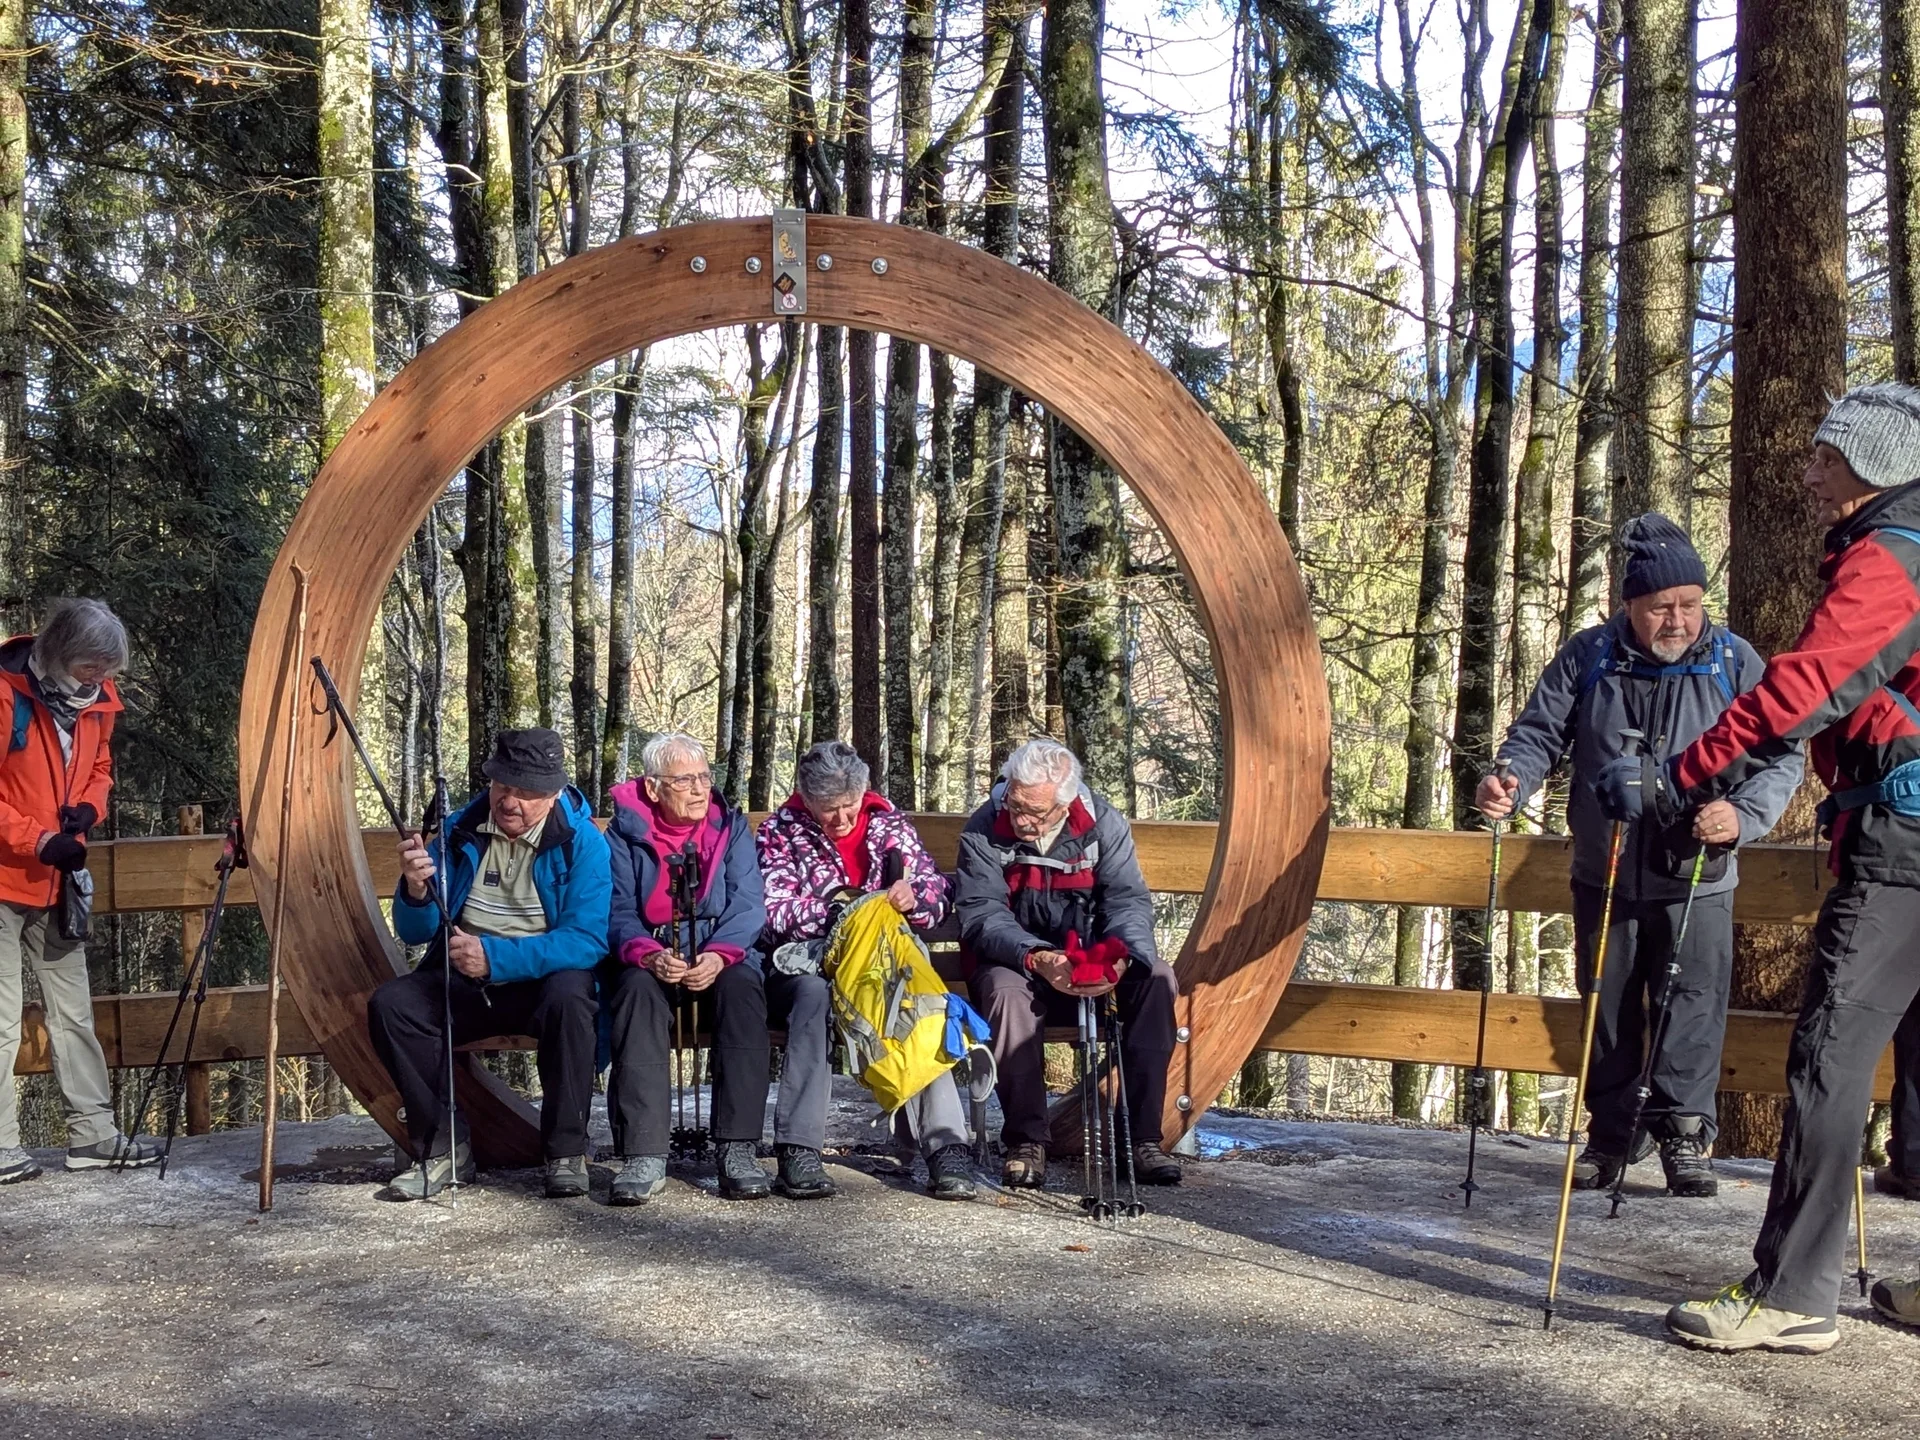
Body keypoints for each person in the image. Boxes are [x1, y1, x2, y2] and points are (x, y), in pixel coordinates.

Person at [1592, 384, 1920, 1353]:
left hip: (1903, 844)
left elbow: (1806, 687)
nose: (1809, 472)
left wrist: (1689, 771)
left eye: (1825, 455)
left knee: (1830, 1057)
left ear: (1870, 466)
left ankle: (1793, 1294)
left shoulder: (1891, 562)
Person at [1477, 514, 1802, 1198]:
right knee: (1610, 1005)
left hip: (1699, 874)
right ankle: (1611, 1137)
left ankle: (1685, 1137)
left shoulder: (1734, 660)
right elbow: (1539, 733)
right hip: (1607, 870)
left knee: (1694, 1004)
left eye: (1689, 604)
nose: (1678, 620)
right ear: (1629, 606)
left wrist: (1741, 815)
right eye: (1661, 608)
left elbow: (1781, 754)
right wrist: (1510, 775)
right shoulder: (1590, 655)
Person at [367, 728, 610, 1201]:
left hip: (542, 979)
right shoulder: (461, 829)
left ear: (555, 792)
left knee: (573, 1000)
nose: (510, 801)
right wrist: (415, 891)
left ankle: (566, 1151)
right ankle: (441, 1148)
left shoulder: (583, 843)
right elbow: (415, 931)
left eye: (527, 792)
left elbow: (586, 942)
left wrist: (494, 959)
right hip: (463, 975)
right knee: (394, 1005)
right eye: (504, 786)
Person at [954, 736, 1180, 1190]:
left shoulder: (1102, 824)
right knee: (1002, 992)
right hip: (1018, 963)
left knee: (1156, 978)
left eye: (1032, 813)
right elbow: (981, 914)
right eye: (1015, 805)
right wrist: (1038, 957)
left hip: (1090, 962)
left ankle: (1141, 1140)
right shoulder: (984, 828)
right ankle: (1026, 1140)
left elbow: (1127, 902)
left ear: (1065, 803)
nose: (1019, 820)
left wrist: (1121, 959)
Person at [758, 739, 977, 1201]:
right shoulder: (780, 831)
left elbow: (936, 891)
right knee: (813, 997)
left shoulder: (888, 824)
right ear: (807, 798)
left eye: (848, 806)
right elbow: (770, 911)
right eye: (828, 809)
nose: (840, 818)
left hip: (880, 964)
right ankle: (799, 1148)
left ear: (864, 792)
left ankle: (946, 1147)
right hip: (810, 960)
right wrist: (844, 911)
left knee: (915, 1000)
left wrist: (913, 899)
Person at [0, 599, 158, 1183]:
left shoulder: (97, 704)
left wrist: (91, 807)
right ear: (61, 653)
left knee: (74, 1012)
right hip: (6, 874)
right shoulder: (6, 693)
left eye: (108, 669)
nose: (103, 679)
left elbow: (101, 766)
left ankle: (93, 1136)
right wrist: (38, 840)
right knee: (2, 1017)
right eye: (94, 666)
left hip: (58, 881)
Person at [604, 732, 771, 1204]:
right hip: (654, 955)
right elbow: (616, 909)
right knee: (635, 991)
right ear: (654, 788)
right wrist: (646, 953)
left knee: (743, 987)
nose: (700, 789)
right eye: (685, 781)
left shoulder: (730, 827)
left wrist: (719, 954)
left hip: (721, 952)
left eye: (704, 777)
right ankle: (645, 1153)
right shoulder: (623, 834)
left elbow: (747, 903)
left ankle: (737, 1148)